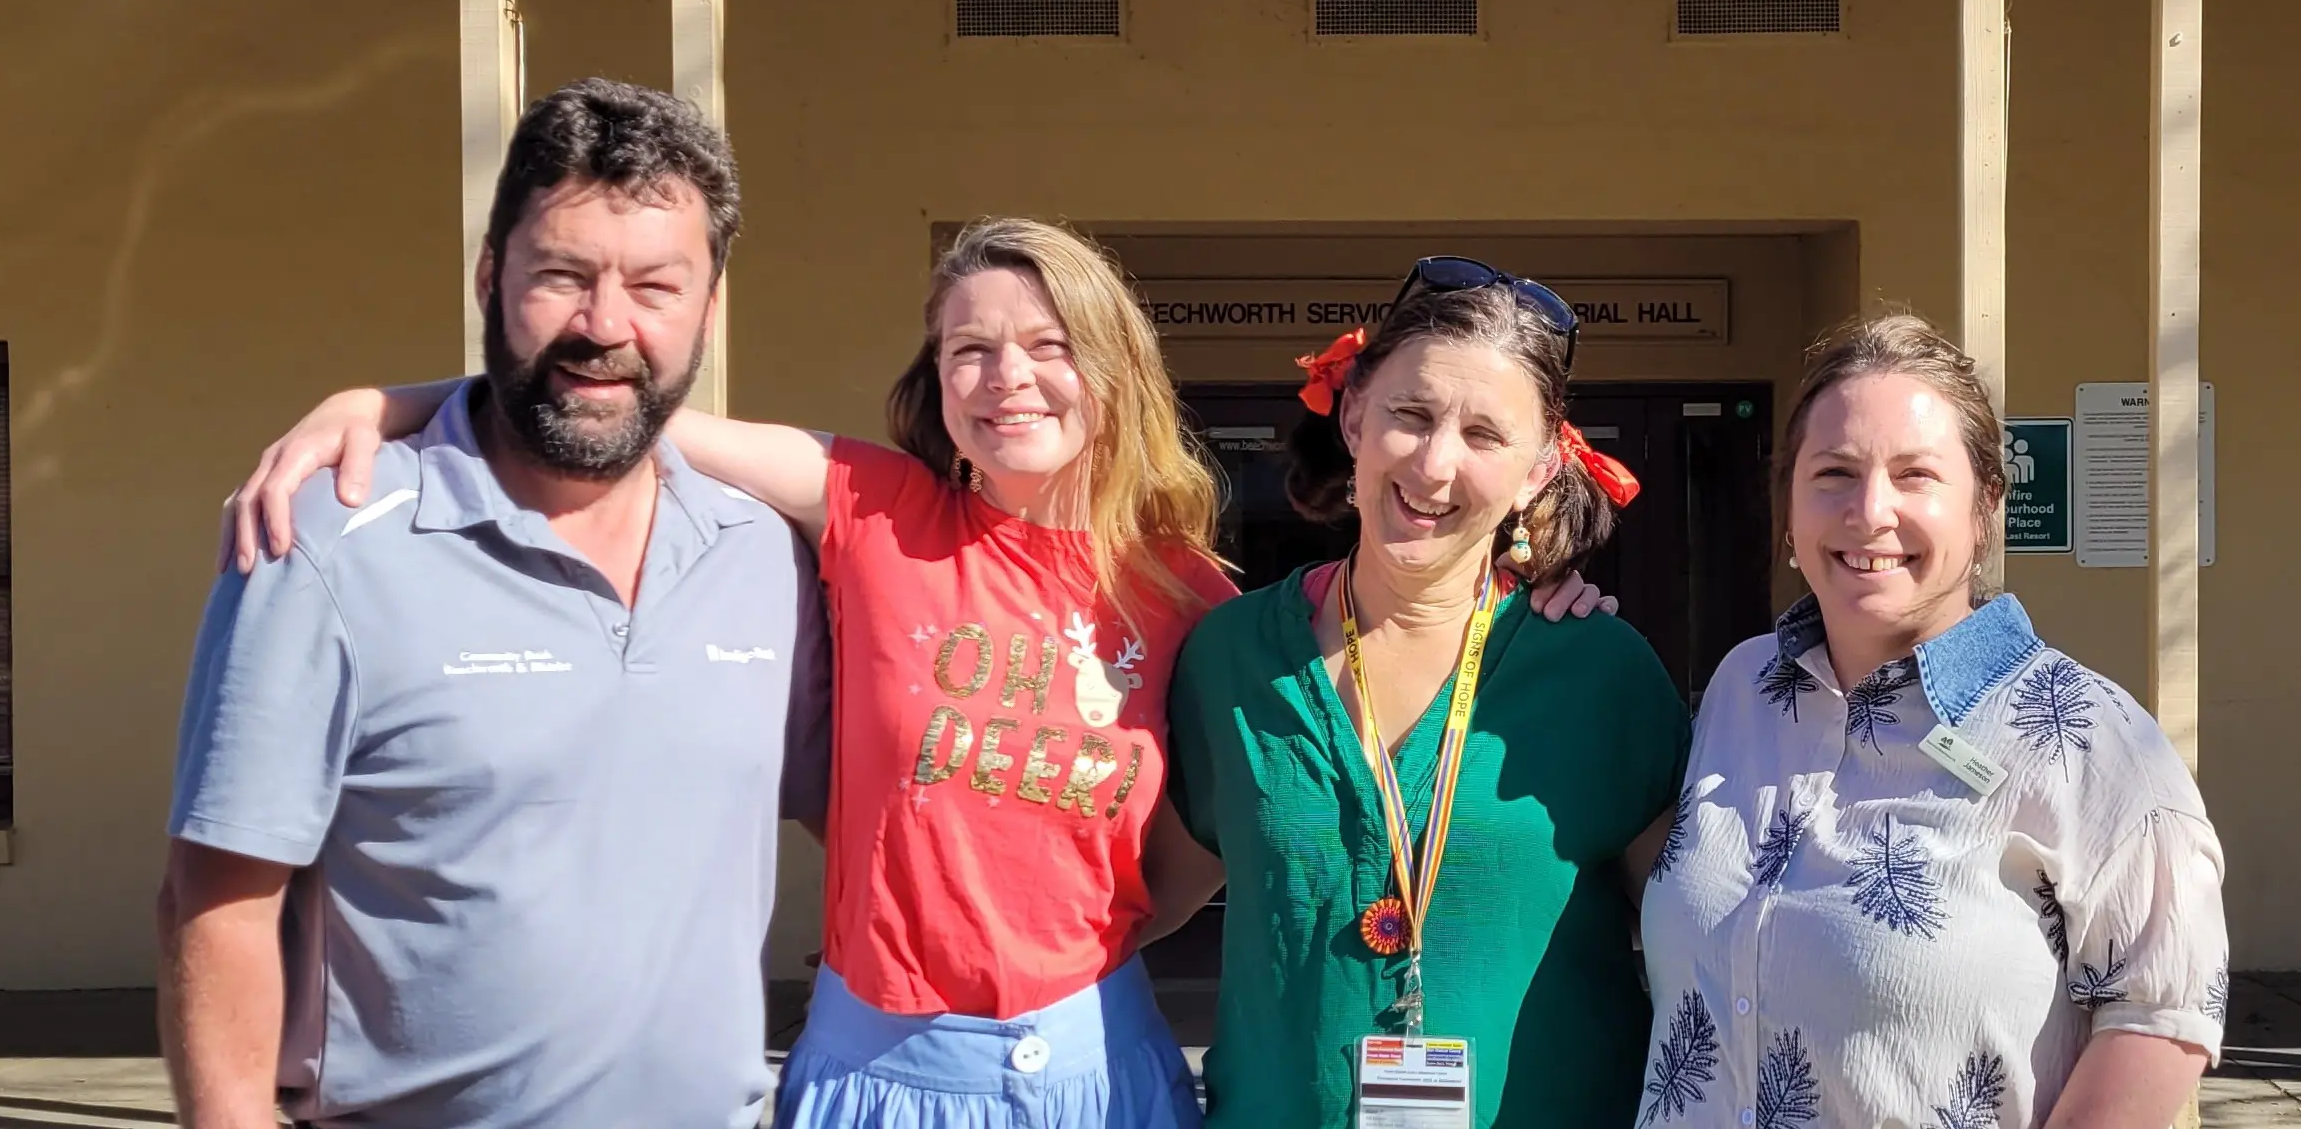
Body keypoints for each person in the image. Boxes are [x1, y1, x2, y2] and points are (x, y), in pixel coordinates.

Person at [231, 224, 1619, 1128]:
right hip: (880, 1070)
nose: (1006, 378)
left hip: (1099, 1070)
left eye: (1042, 345)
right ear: (937, 382)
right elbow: (636, 416)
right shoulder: (874, 506)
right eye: (970, 349)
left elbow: (1202, 849)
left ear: (1111, 371)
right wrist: (404, 403)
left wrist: (1538, 571)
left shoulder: (1190, 600)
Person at [159, 79, 826, 1129]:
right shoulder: (326, 539)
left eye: (657, 286)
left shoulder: (765, 561)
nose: (605, 324)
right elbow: (219, 899)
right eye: (561, 276)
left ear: (711, 303)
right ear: (488, 278)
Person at [1638, 315, 2228, 1129]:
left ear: (1984, 505)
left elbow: (2162, 1013)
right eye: (1834, 473)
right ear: (1788, 510)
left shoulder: (2092, 740)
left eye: (1915, 475)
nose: (1870, 510)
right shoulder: (1741, 688)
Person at [1152, 259, 1692, 1129]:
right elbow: (1146, 895)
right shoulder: (1232, 658)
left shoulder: (1600, 671)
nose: (1436, 465)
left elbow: (1703, 942)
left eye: (1485, 435)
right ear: (1356, 413)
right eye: (1412, 415)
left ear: (1540, 470)